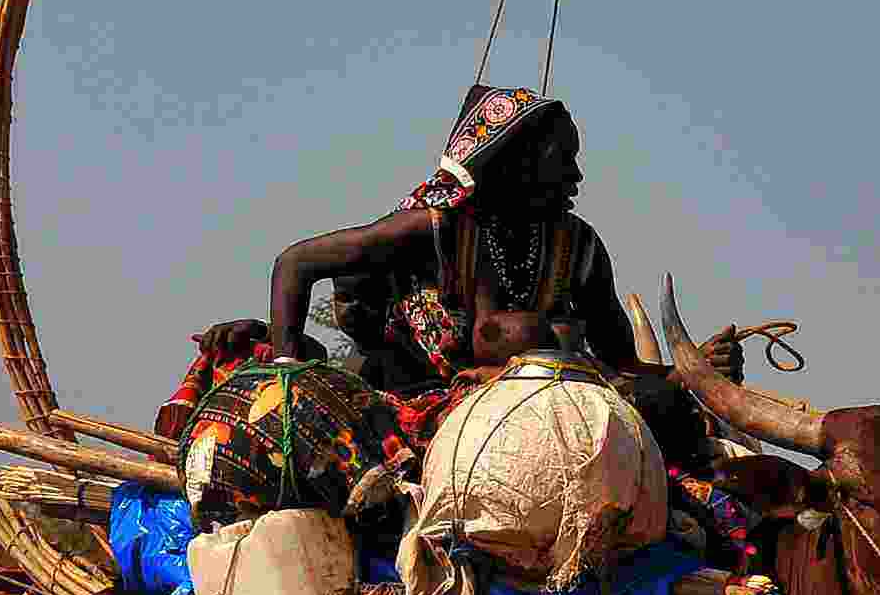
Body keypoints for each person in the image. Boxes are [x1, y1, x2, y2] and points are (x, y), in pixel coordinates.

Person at [263, 88, 644, 400]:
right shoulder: (436, 226)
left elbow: (620, 357)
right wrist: (286, 368)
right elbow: (296, 262)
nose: (576, 175)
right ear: (513, 164)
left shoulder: (579, 245)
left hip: (545, 403)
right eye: (561, 159)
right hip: (413, 402)